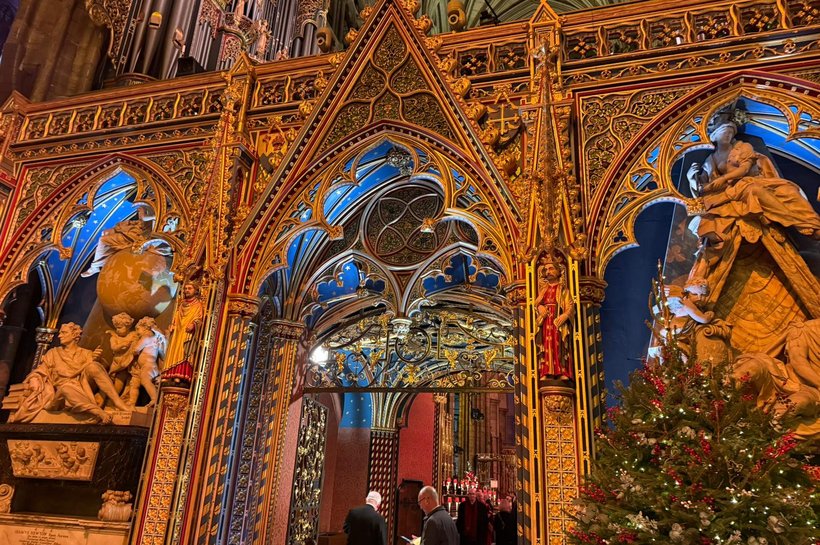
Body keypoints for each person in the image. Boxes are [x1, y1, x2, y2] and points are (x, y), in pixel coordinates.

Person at [11, 323, 129, 424]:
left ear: (74, 335)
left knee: (93, 366)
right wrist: (34, 380)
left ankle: (118, 403)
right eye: (60, 333)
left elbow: (103, 370)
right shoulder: (53, 353)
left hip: (83, 388)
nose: (60, 335)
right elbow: (40, 371)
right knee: (67, 388)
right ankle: (97, 412)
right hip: (61, 396)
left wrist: (98, 359)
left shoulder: (86, 353)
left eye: (64, 333)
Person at [535, 256, 574, 380]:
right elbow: (536, 303)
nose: (548, 272)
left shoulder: (563, 289)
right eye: (546, 270)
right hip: (546, 321)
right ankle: (546, 371)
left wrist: (565, 315)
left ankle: (562, 371)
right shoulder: (544, 289)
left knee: (559, 345)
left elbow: (570, 305)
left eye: (551, 268)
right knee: (546, 345)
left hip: (558, 322)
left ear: (559, 271)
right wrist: (539, 307)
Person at [126, 317, 165, 408]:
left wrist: (133, 348)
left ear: (145, 327)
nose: (137, 332)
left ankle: (154, 399)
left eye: (138, 329)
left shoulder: (147, 336)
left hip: (148, 366)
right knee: (134, 383)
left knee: (145, 381)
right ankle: (131, 402)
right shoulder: (155, 338)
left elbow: (136, 349)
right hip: (148, 367)